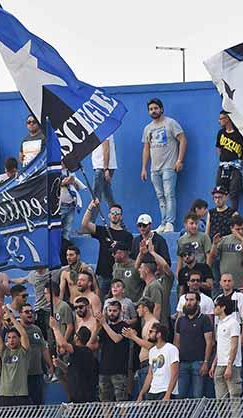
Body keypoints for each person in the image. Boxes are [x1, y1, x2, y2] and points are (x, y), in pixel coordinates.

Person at [140, 98, 187, 233]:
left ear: (161, 109)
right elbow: (146, 149)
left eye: (155, 108)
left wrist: (179, 160)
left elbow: (183, 139)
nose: (153, 111)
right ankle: (163, 222)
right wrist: (144, 168)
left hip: (169, 166)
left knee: (169, 194)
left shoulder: (171, 123)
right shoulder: (147, 128)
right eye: (150, 109)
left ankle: (170, 223)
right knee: (160, 196)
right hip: (154, 169)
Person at [80, 200, 132, 297]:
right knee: (101, 302)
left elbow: (130, 253)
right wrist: (91, 207)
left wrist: (119, 245)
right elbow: (85, 224)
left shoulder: (127, 236)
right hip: (103, 275)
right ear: (109, 215)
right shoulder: (103, 230)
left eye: (117, 214)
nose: (115, 215)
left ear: (121, 217)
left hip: (119, 276)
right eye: (113, 213)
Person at [173, 292, 213, 399]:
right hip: (182, 363)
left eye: (192, 300)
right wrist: (176, 361)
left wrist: (206, 362)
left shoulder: (204, 319)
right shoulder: (180, 320)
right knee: (179, 396)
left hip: (198, 363)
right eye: (187, 300)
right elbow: (177, 341)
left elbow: (209, 342)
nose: (188, 303)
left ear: (198, 302)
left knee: (198, 396)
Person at [0, 307, 31, 406]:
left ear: (19, 339)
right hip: (4, 394)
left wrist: (11, 317)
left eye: (14, 337)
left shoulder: (24, 352)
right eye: (9, 338)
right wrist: (0, 315)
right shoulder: (4, 351)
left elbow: (24, 334)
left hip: (21, 394)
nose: (11, 340)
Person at [52, 324, 99, 404]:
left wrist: (55, 327)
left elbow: (63, 344)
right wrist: (59, 363)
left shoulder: (80, 351)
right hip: (75, 395)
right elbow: (70, 370)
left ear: (77, 337)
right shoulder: (83, 353)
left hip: (83, 396)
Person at [208, 215, 243, 289]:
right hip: (226, 283)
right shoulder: (224, 240)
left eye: (242, 229)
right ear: (231, 228)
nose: (240, 231)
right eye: (237, 229)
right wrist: (214, 244)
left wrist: (241, 239)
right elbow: (213, 256)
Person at [97, 300, 130, 401]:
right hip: (104, 370)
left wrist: (104, 324)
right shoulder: (105, 327)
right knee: (105, 402)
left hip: (119, 370)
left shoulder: (124, 325)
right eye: (109, 310)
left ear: (120, 311)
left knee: (122, 401)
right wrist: (97, 326)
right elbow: (94, 343)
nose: (111, 313)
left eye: (114, 311)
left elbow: (116, 339)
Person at [214, 110, 243, 211]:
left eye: (221, 118)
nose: (219, 121)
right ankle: (221, 212)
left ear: (228, 119)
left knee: (234, 192)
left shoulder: (239, 134)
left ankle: (233, 215)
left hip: (236, 166)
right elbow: (218, 147)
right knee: (220, 190)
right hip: (223, 165)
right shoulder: (221, 133)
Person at [210, 296, 242, 400]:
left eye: (216, 306)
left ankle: (235, 417)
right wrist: (214, 364)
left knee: (234, 396)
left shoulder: (233, 323)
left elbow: (234, 345)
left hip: (232, 364)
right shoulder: (219, 324)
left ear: (223, 307)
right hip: (220, 364)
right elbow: (220, 346)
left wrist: (229, 365)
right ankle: (223, 417)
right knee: (220, 398)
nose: (214, 308)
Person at [137, 323, 179, 401]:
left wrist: (168, 394)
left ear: (159, 334)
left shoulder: (171, 349)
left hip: (165, 390)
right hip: (153, 391)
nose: (148, 334)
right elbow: (150, 374)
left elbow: (175, 374)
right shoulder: (152, 351)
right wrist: (142, 393)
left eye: (151, 331)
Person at [20, 302, 52, 405]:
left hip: (38, 373)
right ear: (20, 314)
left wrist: (50, 365)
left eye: (32, 311)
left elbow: (43, 349)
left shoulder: (37, 329)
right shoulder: (17, 331)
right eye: (26, 312)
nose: (30, 314)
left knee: (38, 404)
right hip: (23, 375)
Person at [90, 134, 118, 207]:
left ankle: (91, 218)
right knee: (107, 193)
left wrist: (106, 168)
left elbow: (106, 149)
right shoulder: (105, 130)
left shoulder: (104, 130)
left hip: (102, 167)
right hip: (102, 166)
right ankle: (115, 212)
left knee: (96, 197)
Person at [59, 169, 86, 241]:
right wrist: (63, 182)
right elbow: (52, 185)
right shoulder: (55, 170)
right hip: (60, 206)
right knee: (57, 229)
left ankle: (65, 247)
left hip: (71, 205)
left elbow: (77, 188)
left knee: (67, 230)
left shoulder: (70, 172)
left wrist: (74, 183)